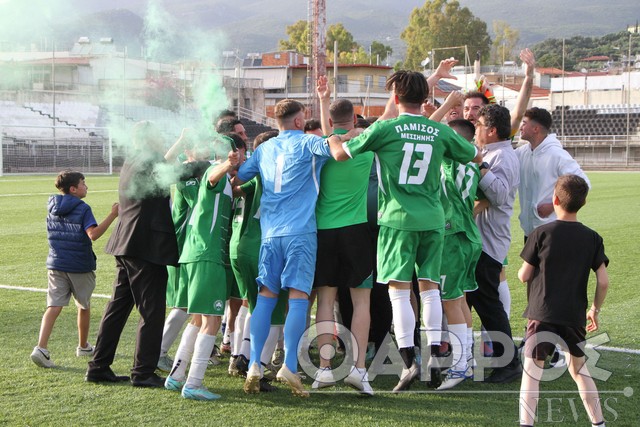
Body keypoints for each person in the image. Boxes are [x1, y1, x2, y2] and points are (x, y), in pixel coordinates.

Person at [329, 70, 481, 392]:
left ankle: (409, 361)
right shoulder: (438, 130)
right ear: (425, 99)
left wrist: (333, 138)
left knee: (398, 290)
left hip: (398, 219)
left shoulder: (386, 128)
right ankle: (436, 356)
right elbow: (471, 153)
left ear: (395, 98)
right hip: (434, 219)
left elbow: (341, 155)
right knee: (429, 289)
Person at [235, 99, 344, 397]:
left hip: (270, 235)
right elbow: (336, 150)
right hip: (300, 233)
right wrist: (339, 137)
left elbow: (239, 177)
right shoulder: (309, 143)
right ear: (299, 121)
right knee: (298, 298)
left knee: (266, 296)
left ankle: (255, 363)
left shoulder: (264, 149)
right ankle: (291, 367)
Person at [86, 121, 192, 387]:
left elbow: (161, 168)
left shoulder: (135, 160)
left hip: (127, 243)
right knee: (151, 310)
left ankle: (98, 366)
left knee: (117, 309)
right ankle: (143, 372)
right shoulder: (150, 161)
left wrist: (179, 143)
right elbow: (173, 173)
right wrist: (203, 165)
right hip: (146, 247)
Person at [517, 174, 609, 427]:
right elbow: (603, 281)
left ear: (555, 199)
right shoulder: (592, 237)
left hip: (542, 313)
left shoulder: (541, 233)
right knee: (580, 371)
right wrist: (594, 310)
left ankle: (526, 424)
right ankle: (598, 423)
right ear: (584, 202)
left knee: (532, 373)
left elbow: (523, 276)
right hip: (573, 315)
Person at [311, 76, 375, 395]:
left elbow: (329, 132)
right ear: (355, 116)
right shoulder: (363, 144)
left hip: (324, 230)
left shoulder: (324, 145)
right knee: (361, 301)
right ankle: (359, 369)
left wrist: (323, 100)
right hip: (356, 230)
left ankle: (324, 369)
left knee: (326, 300)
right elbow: (390, 118)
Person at [164, 135, 237, 401]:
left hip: (193, 253)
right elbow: (212, 176)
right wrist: (227, 164)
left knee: (197, 318)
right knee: (212, 320)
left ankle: (176, 376)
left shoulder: (217, 177)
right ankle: (193, 383)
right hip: (208, 255)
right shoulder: (212, 172)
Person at [31, 171, 118, 368]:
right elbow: (93, 234)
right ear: (73, 189)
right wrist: (113, 215)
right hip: (79, 265)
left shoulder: (51, 206)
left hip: (55, 263)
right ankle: (83, 345)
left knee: (53, 306)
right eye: (83, 184)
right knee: (84, 305)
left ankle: (41, 348)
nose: (87, 187)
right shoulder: (83, 208)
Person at [467, 104, 522, 383]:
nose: (474, 129)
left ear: (491, 130)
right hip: (481, 240)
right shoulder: (493, 153)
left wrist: (481, 165)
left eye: (478, 125)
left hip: (488, 243)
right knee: (476, 300)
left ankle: (509, 361)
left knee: (488, 303)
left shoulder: (503, 156)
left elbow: (499, 195)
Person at [435, 118, 483, 390]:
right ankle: (466, 357)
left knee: (451, 301)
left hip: (452, 235)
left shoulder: (452, 162)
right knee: (460, 299)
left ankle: (460, 365)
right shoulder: (472, 163)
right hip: (468, 234)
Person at [516, 107, 590, 238]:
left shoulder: (557, 155)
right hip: (529, 231)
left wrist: (552, 206)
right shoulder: (522, 153)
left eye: (524, 123)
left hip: (551, 230)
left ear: (535, 129)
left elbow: (583, 183)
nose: (520, 127)